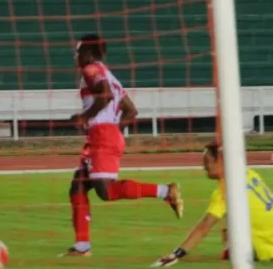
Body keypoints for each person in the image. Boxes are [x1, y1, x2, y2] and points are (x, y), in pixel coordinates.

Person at [63, 34, 184, 257]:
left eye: (78, 51)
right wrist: (113, 129)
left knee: (105, 191)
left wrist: (85, 117)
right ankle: (82, 246)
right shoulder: (109, 74)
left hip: (103, 136)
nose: (75, 56)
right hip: (105, 135)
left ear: (88, 53)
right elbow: (131, 110)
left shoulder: (91, 70)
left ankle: (166, 191)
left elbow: (105, 95)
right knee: (78, 185)